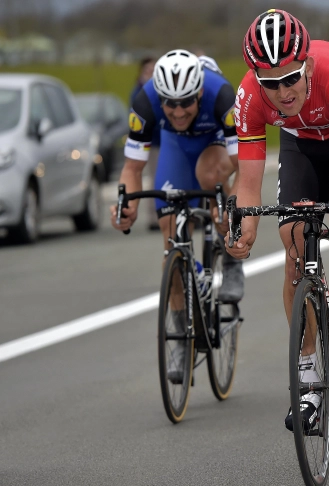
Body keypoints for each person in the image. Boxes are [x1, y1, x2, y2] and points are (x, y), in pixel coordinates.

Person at [227, 10, 329, 431]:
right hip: (301, 143)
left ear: (307, 66)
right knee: (294, 244)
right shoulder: (248, 97)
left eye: (291, 79)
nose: (283, 92)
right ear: (257, 79)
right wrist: (243, 229)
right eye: (271, 83)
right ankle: (307, 385)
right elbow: (248, 182)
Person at [111, 49, 246, 381]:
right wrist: (125, 204)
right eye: (169, 104)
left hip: (215, 143)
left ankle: (229, 256)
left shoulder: (221, 96)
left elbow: (245, 168)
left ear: (199, 92)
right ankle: (180, 338)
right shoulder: (145, 103)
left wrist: (235, 213)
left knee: (210, 175)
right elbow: (132, 168)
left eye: (186, 102)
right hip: (175, 148)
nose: (177, 110)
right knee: (170, 239)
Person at [130, 57, 162, 231]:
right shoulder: (139, 91)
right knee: (155, 178)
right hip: (152, 142)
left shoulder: (162, 86)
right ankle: (154, 217)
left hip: (165, 139)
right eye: (148, 69)